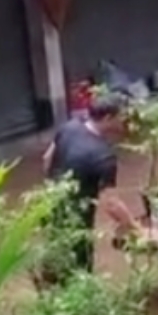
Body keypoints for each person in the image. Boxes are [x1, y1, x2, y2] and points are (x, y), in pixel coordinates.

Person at [42, 93, 126, 275]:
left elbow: (47, 159)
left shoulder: (69, 127)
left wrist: (52, 187)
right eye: (122, 117)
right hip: (78, 220)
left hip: (49, 208)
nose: (125, 122)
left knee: (55, 260)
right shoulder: (104, 156)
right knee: (79, 269)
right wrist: (135, 228)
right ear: (108, 118)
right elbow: (111, 204)